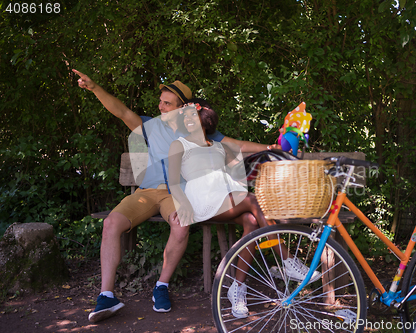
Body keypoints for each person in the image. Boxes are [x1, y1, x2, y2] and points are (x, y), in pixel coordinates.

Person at [72, 69, 279, 323]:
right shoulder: (150, 126)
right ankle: (106, 295)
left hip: (175, 192)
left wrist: (268, 148)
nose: (161, 106)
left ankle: (161, 286)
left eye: (167, 103)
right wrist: (94, 88)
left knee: (181, 226)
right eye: (160, 101)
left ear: (183, 108)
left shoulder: (195, 128)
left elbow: (235, 145)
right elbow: (122, 111)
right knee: (111, 223)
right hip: (146, 192)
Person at [168, 99, 321, 318]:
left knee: (251, 220)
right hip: (201, 200)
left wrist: (275, 151)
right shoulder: (179, 145)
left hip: (224, 197)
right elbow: (173, 181)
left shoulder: (219, 146)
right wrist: (182, 204)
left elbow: (241, 166)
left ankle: (237, 289)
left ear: (205, 118)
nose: (189, 119)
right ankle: (287, 260)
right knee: (253, 201)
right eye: (185, 116)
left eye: (193, 115)